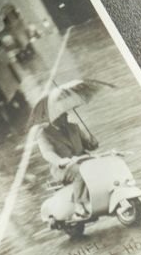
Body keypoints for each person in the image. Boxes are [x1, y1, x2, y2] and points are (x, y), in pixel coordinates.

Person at [35, 85, 99, 219]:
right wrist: (60, 161)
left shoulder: (74, 127)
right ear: (52, 118)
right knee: (79, 172)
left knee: (102, 163)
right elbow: (47, 153)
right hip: (63, 168)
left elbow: (88, 145)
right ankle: (79, 205)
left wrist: (92, 142)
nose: (65, 115)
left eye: (64, 113)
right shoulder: (44, 134)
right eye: (60, 114)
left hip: (82, 160)